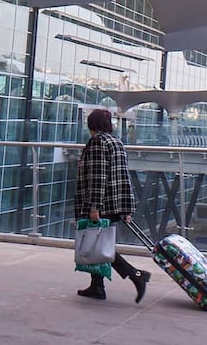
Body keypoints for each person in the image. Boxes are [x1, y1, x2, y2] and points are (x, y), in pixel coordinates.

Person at [74, 108, 150, 302]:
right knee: (97, 242)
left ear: (91, 124)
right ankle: (97, 287)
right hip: (115, 203)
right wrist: (126, 209)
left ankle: (135, 275)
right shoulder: (116, 142)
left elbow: (98, 177)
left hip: (102, 204)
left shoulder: (98, 142)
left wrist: (94, 207)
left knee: (97, 245)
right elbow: (123, 177)